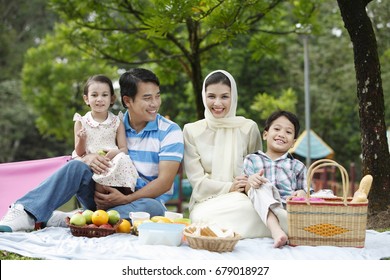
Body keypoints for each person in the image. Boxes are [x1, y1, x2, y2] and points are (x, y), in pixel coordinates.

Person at [0, 68, 184, 232]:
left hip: (138, 203)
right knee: (76, 166)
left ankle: (78, 218)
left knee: (155, 209)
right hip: (99, 192)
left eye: (157, 96)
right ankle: (26, 212)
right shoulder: (111, 123)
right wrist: (87, 157)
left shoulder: (170, 131)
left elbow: (165, 183)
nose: (155, 104)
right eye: (147, 98)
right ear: (127, 100)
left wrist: (125, 199)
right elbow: (79, 152)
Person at [184, 69, 271, 239]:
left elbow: (257, 172)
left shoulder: (248, 128)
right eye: (211, 96)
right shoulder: (191, 131)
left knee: (253, 211)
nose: (217, 103)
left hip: (243, 200)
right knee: (203, 219)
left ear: (234, 97)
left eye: (224, 96)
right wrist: (229, 187)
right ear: (203, 96)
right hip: (207, 203)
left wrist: (244, 186)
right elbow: (197, 182)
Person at [243, 110, 308, 247]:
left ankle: (279, 226)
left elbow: (308, 192)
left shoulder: (297, 166)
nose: (282, 134)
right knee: (261, 185)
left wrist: (302, 193)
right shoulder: (252, 160)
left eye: (288, 132)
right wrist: (252, 181)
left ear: (293, 142)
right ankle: (276, 230)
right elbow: (246, 189)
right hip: (260, 208)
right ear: (265, 134)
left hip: (286, 210)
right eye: (277, 129)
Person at [73, 74, 138, 195]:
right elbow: (79, 153)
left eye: (104, 95)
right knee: (81, 166)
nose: (99, 99)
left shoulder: (117, 122)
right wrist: (82, 140)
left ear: (112, 99)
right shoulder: (81, 121)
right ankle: (100, 202)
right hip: (90, 163)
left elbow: (124, 149)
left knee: (123, 159)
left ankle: (127, 194)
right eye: (94, 95)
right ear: (86, 99)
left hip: (110, 161)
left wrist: (116, 152)